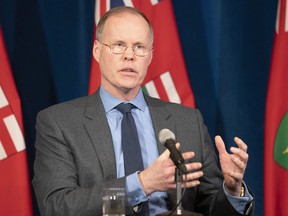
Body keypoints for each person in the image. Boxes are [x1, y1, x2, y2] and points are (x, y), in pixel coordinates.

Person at [32, 6, 254, 216]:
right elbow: (57, 206)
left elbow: (210, 207)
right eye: (118, 45)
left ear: (150, 56)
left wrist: (232, 190)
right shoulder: (59, 123)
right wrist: (141, 184)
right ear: (97, 51)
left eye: (139, 47)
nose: (130, 55)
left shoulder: (187, 121)